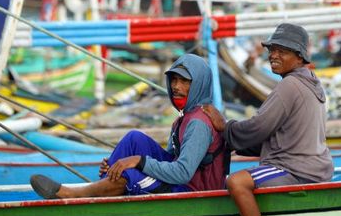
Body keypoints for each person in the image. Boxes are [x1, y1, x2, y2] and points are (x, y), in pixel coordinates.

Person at [30, 53, 226, 199]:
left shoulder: (199, 123)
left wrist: (138, 162)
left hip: (194, 192)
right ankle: (105, 184)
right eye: (174, 80)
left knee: (131, 173)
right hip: (181, 183)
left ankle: (75, 194)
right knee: (134, 139)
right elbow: (170, 159)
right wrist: (119, 163)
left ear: (198, 85)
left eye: (184, 81)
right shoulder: (182, 119)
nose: (176, 86)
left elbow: (182, 173)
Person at [203, 23, 333, 216]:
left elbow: (257, 128)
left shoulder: (289, 85)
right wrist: (231, 141)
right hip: (315, 168)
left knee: (235, 182)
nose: (273, 55)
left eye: (282, 51)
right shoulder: (312, 82)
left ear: (299, 57)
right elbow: (275, 137)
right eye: (272, 50)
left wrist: (225, 127)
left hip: (295, 170)